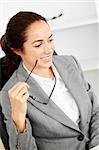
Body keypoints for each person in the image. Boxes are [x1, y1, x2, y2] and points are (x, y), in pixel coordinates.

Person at [0, 11, 99, 150]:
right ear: (17, 50)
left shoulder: (70, 63)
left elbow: (95, 111)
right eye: (38, 44)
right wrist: (18, 118)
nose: (49, 50)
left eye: (50, 39)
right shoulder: (9, 94)